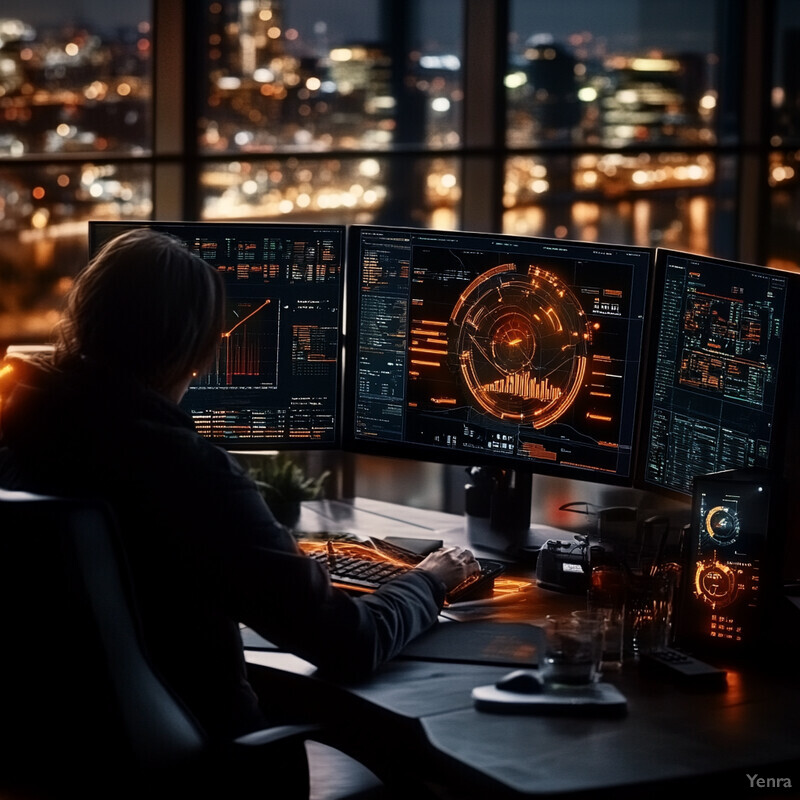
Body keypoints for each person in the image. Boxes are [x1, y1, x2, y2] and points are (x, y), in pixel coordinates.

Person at [0, 228, 480, 742]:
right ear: (197, 355)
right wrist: (429, 581)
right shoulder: (189, 476)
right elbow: (349, 644)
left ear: (83, 321)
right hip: (212, 772)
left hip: (56, 756)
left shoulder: (20, 435)